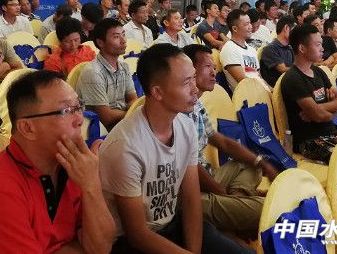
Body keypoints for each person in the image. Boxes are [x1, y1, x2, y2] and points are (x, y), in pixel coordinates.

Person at [98, 44, 251, 254]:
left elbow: (190, 200)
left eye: (193, 78)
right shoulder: (125, 148)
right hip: (132, 244)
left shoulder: (185, 126)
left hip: (171, 224)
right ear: (158, 92)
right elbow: (137, 235)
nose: (195, 89)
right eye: (186, 82)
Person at [0, 70, 115, 252]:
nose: (80, 119)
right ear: (27, 128)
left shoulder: (73, 166)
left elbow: (101, 248)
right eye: (66, 110)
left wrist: (91, 184)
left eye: (79, 106)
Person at [183, 43, 278, 236]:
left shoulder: (197, 104)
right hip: (191, 191)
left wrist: (261, 162)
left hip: (209, 176)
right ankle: (234, 210)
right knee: (271, 209)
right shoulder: (177, 111)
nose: (214, 72)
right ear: (189, 71)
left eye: (214, 67)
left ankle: (234, 208)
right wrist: (222, 193)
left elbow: (222, 141)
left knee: (251, 164)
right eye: (207, 66)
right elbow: (190, 166)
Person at [281, 24, 337, 153]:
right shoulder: (293, 78)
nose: (322, 49)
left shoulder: (318, 71)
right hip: (309, 142)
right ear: (302, 48)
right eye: (318, 45)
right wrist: (331, 111)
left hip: (331, 134)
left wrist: (318, 108)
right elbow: (319, 116)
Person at [78, 19, 137, 130]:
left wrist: (132, 111)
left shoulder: (124, 66)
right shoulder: (93, 72)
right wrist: (133, 114)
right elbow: (106, 117)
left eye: (123, 35)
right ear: (100, 42)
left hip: (122, 123)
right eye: (116, 37)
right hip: (102, 130)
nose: (123, 40)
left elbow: (133, 100)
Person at [219, 9, 263, 92]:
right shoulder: (229, 49)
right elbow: (243, 81)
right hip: (247, 95)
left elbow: (259, 77)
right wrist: (266, 92)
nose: (250, 27)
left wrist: (271, 91)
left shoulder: (252, 50)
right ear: (235, 29)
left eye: (250, 23)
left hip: (260, 90)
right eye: (246, 24)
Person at [259, 15, 296, 87]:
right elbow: (283, 69)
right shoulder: (270, 48)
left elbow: (295, 65)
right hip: (277, 88)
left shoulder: (289, 48)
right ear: (286, 28)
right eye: (294, 31)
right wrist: (303, 68)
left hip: (290, 84)